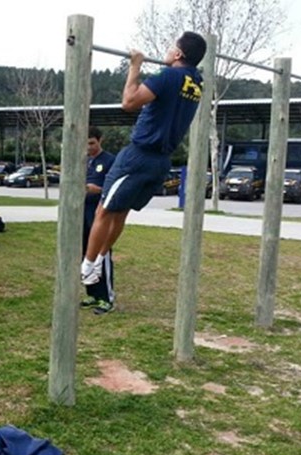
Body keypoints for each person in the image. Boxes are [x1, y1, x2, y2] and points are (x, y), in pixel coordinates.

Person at [80, 32, 207, 286]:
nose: (168, 50)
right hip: (161, 162)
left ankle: (86, 266)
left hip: (138, 156)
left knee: (103, 210)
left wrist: (135, 65)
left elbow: (128, 102)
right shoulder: (196, 83)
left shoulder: (169, 75)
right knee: (120, 212)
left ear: (179, 54)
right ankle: (100, 260)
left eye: (172, 47)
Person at [82, 127, 116, 315]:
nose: (89, 147)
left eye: (92, 143)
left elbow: (115, 188)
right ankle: (92, 294)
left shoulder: (110, 161)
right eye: (86, 144)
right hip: (82, 212)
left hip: (100, 214)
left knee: (101, 254)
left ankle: (107, 298)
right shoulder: (84, 160)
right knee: (85, 253)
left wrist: (99, 190)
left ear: (100, 140)